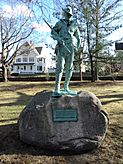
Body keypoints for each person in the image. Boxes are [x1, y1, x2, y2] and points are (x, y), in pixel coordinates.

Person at [51, 5, 80, 96]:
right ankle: (57, 88)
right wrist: (58, 38)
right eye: (66, 13)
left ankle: (66, 87)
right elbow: (52, 33)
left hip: (70, 47)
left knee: (69, 68)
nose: (67, 15)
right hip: (61, 47)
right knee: (60, 67)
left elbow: (78, 37)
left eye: (68, 14)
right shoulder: (59, 23)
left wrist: (77, 47)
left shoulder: (74, 24)